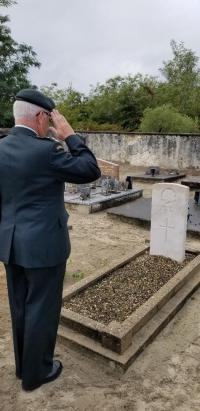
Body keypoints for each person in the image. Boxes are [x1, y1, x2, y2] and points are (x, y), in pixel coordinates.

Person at [0, 89, 101, 391]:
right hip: (44, 246)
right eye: (50, 118)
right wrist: (70, 135)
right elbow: (90, 170)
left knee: (20, 308)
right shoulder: (47, 150)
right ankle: (37, 373)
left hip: (10, 243)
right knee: (42, 310)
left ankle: (23, 368)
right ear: (41, 117)